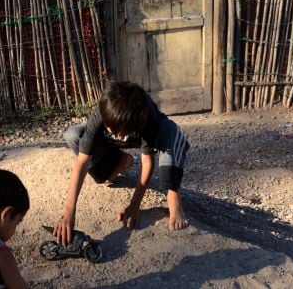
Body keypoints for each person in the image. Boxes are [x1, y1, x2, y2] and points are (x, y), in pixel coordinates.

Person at [54, 80, 191, 244]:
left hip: (142, 134)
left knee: (169, 129)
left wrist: (134, 205)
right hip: (116, 137)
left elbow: (147, 162)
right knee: (73, 134)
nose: (115, 134)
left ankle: (173, 198)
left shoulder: (146, 117)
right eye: (109, 127)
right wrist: (68, 212)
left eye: (115, 131)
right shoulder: (103, 113)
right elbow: (82, 162)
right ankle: (122, 161)